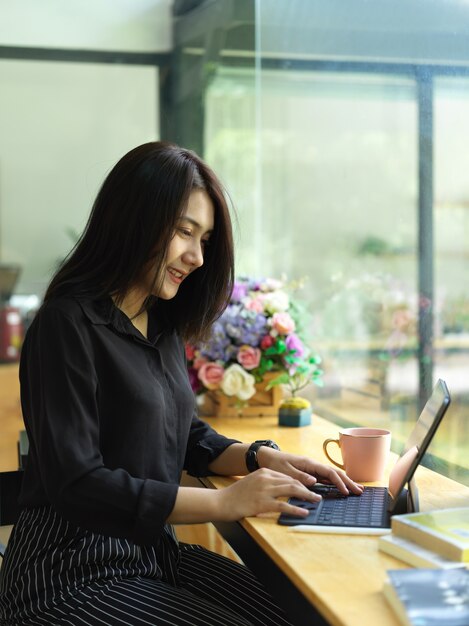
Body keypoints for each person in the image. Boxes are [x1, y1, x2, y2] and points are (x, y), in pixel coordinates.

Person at [0, 141, 362, 626]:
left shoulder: (161, 324)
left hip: (153, 556)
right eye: (183, 231)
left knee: (296, 613)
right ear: (132, 221)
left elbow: (186, 435)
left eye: (205, 239)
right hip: (71, 572)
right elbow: (76, 483)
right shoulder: (66, 325)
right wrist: (223, 501)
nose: (195, 256)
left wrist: (259, 457)